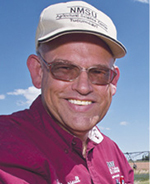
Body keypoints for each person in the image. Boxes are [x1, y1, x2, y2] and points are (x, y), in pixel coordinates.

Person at [0, 1, 134, 184]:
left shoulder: (113, 153)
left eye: (98, 72)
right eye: (64, 69)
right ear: (38, 72)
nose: (83, 87)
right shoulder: (7, 144)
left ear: (113, 81)